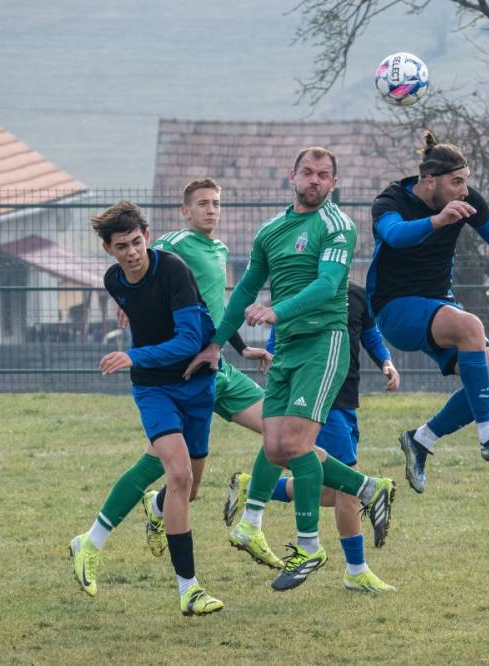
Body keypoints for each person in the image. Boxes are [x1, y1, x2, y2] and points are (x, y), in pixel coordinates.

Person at [185, 147, 396, 591]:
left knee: (295, 445)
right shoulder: (271, 231)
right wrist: (216, 344)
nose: (314, 180)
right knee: (275, 444)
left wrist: (277, 311)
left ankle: (309, 546)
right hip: (288, 351)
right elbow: (243, 290)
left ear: (333, 183)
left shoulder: (337, 226)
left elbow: (326, 286)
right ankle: (366, 488)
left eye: (323, 175)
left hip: (323, 343)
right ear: (292, 176)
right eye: (308, 173)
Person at [367, 130, 489, 493]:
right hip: (395, 310)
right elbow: (394, 235)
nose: (464, 190)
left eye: (466, 181)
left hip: (439, 305)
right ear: (429, 181)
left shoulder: (464, 199)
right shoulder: (390, 201)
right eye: (456, 182)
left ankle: (420, 440)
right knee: (469, 326)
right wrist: (438, 221)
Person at [68, 200, 223, 617]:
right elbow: (142, 315)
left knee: (187, 490)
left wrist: (137, 354)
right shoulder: (113, 280)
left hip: (197, 384)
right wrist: (139, 360)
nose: (132, 252)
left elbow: (192, 338)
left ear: (148, 238)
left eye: (137, 242)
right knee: (178, 474)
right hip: (155, 388)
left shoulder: (171, 269)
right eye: (122, 246)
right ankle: (189, 590)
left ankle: (139, 516)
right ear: (109, 250)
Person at [225, 282, 401, 593]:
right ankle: (356, 569)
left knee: (333, 491)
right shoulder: (299, 293)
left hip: (346, 397)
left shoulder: (357, 294)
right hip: (319, 398)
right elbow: (280, 334)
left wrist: (386, 360)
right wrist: (276, 364)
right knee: (345, 490)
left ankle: (256, 487)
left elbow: (370, 332)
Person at [135, 178, 271, 558]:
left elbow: (217, 311)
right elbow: (143, 262)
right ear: (186, 211)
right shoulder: (174, 243)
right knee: (182, 481)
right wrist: (126, 303)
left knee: (276, 428)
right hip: (180, 374)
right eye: (203, 204)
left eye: (215, 203)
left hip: (218, 368)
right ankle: (108, 526)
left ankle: (158, 506)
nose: (211, 209)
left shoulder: (220, 249)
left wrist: (244, 347)